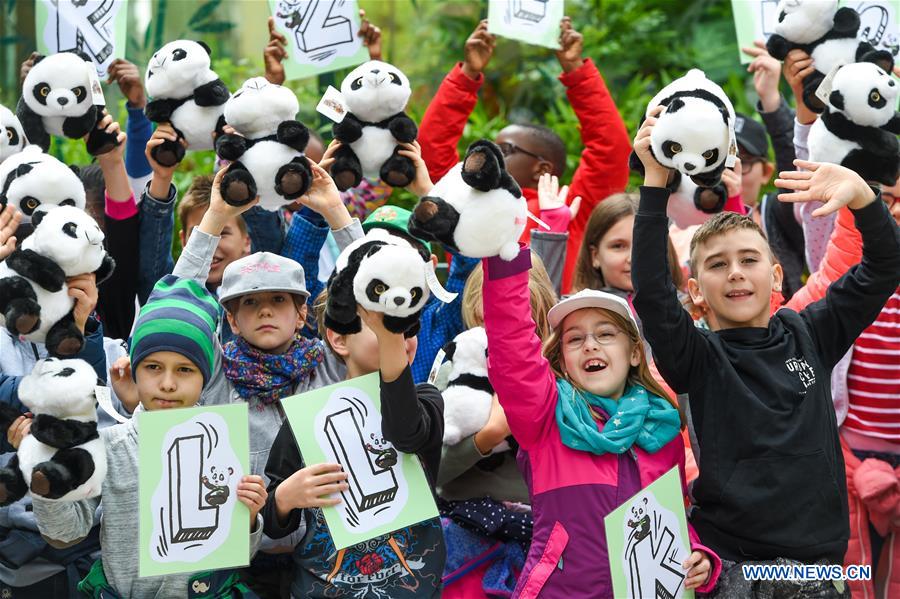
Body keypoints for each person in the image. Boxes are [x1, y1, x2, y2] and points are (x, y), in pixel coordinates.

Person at [631, 106, 900, 596]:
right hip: (737, 568)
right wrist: (654, 183)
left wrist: (864, 198)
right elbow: (650, 292)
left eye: (749, 259)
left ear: (775, 275)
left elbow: (884, 267)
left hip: (822, 570)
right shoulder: (697, 358)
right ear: (695, 291)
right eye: (717, 265)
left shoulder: (810, 332)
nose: (735, 272)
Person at [480, 235, 719, 596]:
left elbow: (670, 524)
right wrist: (505, 258)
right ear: (561, 360)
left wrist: (699, 555)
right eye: (575, 339)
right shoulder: (544, 419)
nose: (590, 344)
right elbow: (512, 350)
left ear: (635, 354)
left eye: (605, 334)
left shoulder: (664, 431)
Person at [31, 275, 268, 597]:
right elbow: (65, 533)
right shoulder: (109, 446)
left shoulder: (227, 443)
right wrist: (47, 483)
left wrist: (250, 517)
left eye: (185, 369)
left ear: (205, 374)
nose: (168, 383)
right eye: (153, 367)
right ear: (135, 371)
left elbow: (241, 552)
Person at [418, 17, 631, 292]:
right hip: (476, 333)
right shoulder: (464, 202)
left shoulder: (573, 212)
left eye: (505, 150)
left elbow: (610, 151)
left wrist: (577, 72)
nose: (489, 156)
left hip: (556, 333)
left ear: (542, 169)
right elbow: (432, 150)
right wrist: (467, 74)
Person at [260, 293, 447, 598]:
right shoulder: (307, 419)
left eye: (408, 328)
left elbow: (404, 431)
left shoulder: (427, 400)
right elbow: (270, 522)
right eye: (383, 326)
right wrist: (284, 498)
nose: (399, 338)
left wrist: (390, 344)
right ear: (339, 339)